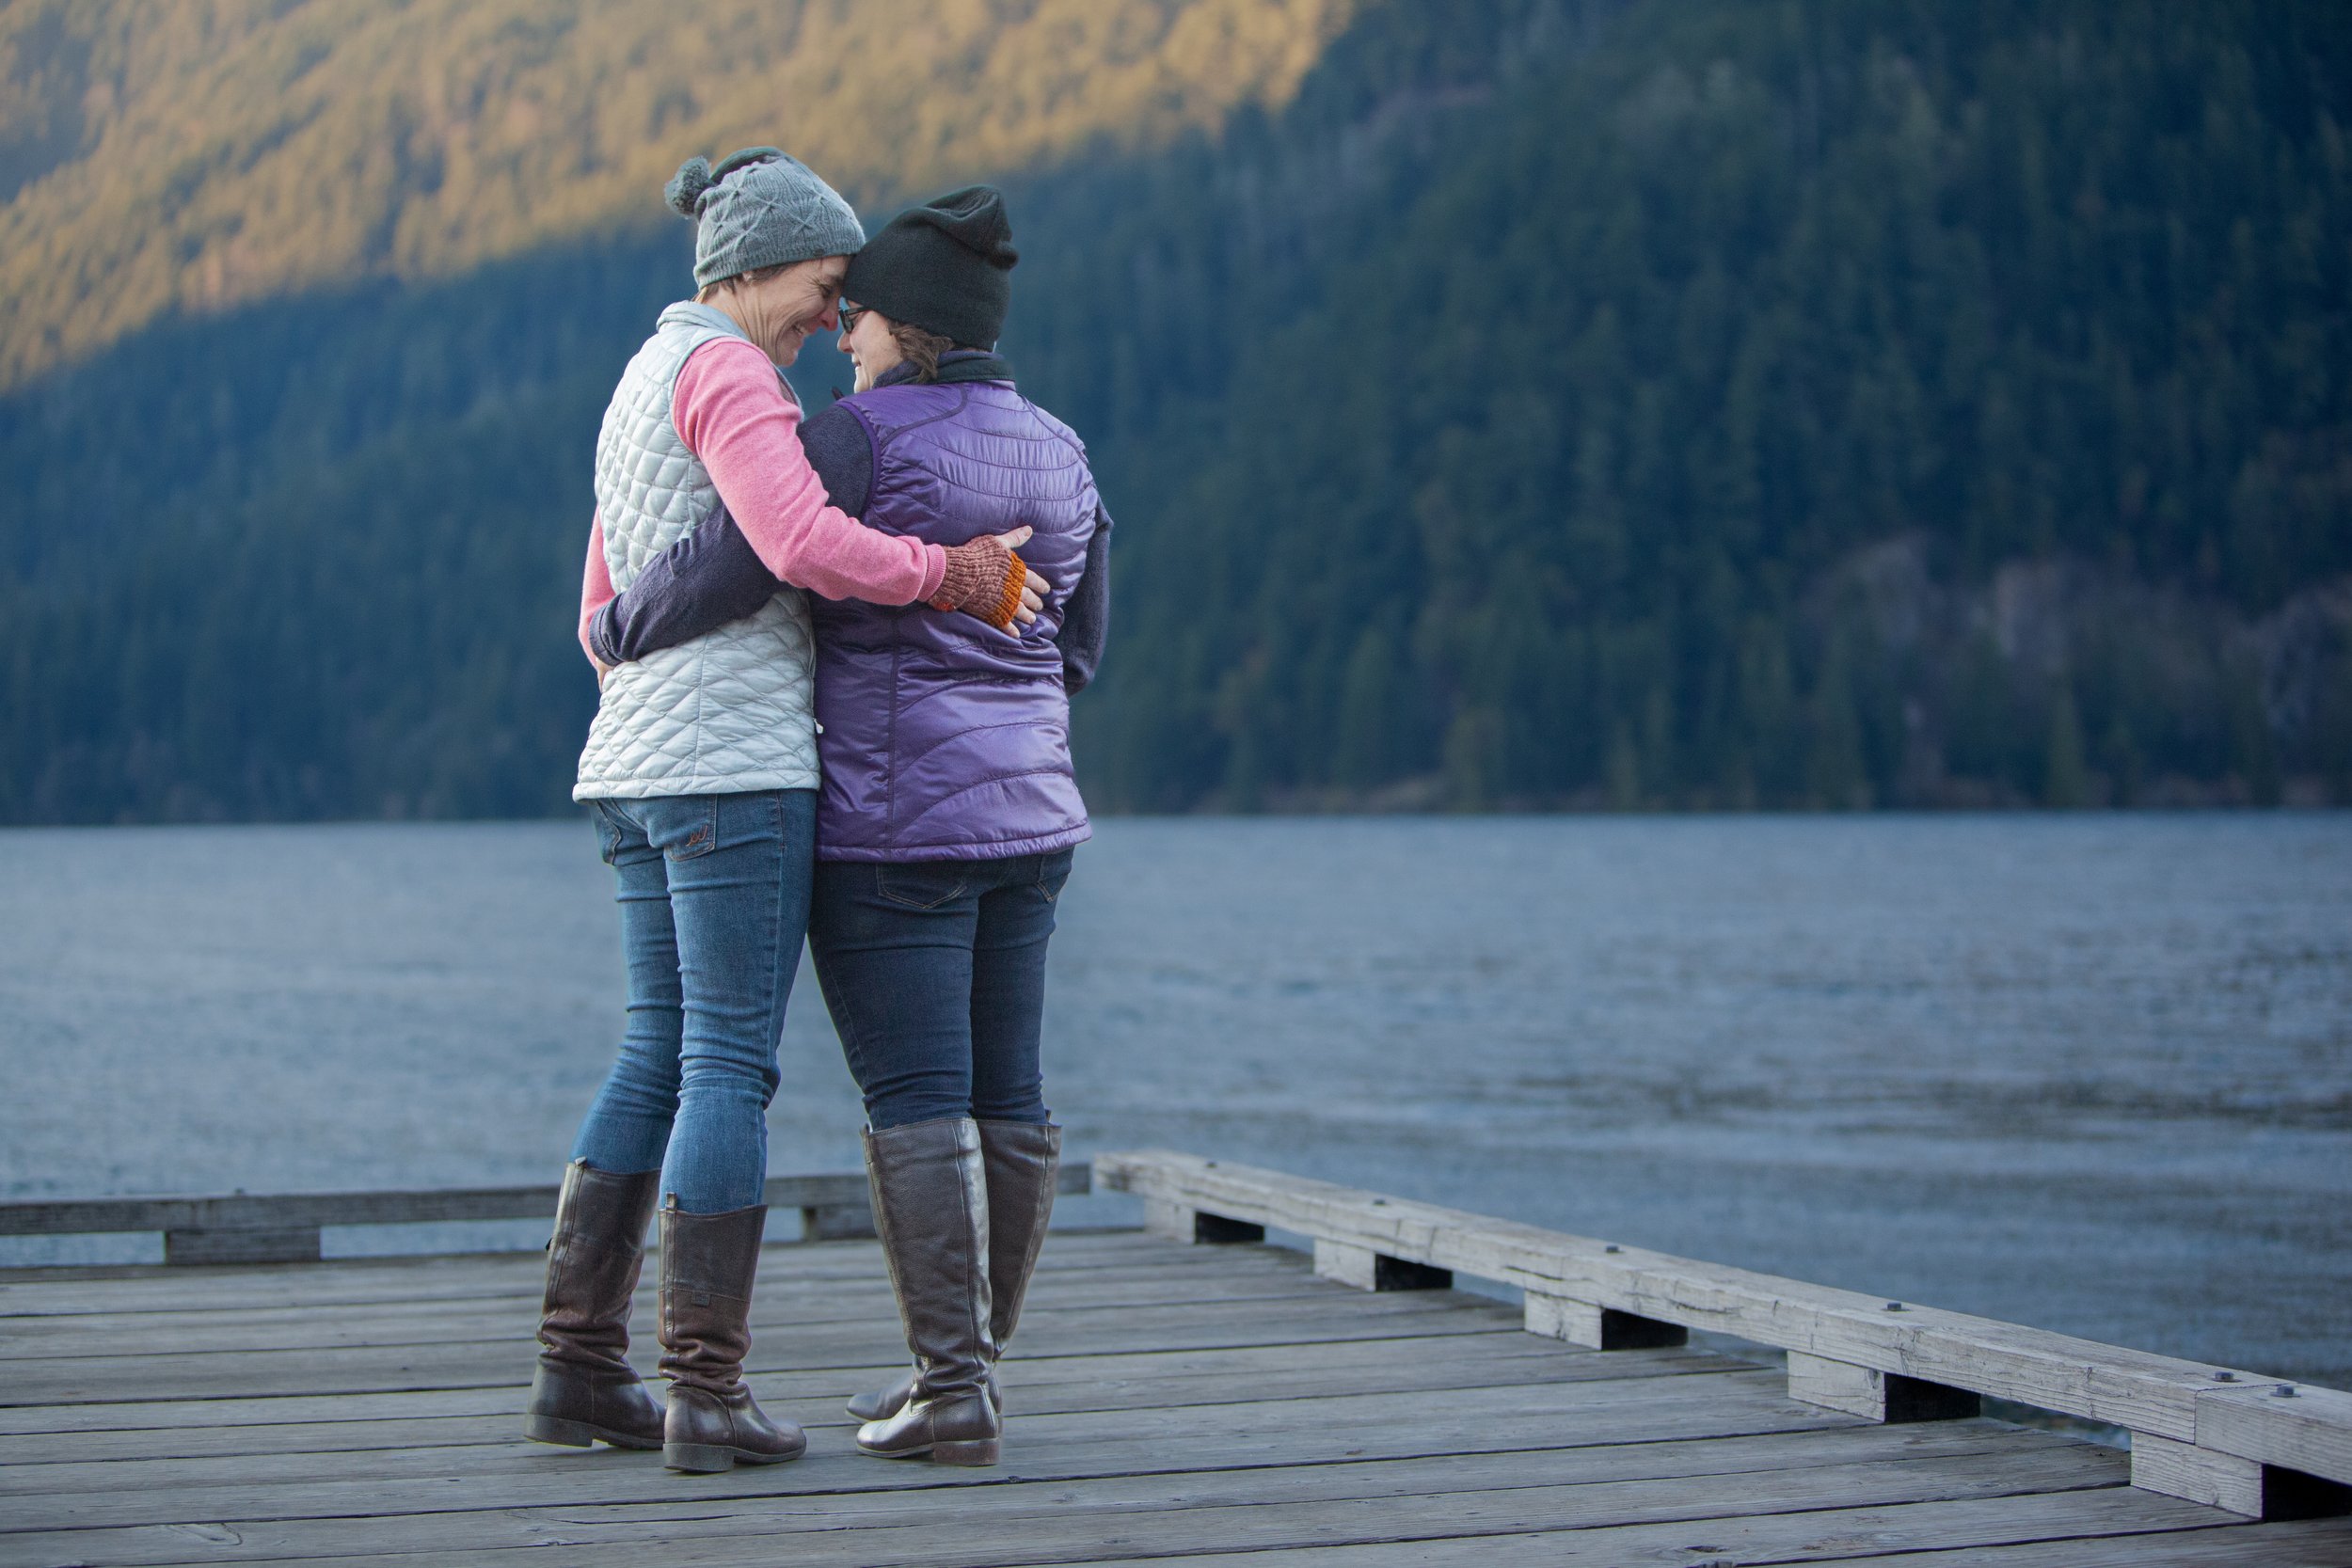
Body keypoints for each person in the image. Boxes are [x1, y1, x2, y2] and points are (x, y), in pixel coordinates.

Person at [526, 148, 1041, 1477]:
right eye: (823, 281)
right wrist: (952, 573)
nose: (833, 309)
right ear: (751, 269)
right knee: (726, 1068)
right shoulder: (733, 379)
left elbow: (602, 590)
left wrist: (628, 670)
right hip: (733, 768)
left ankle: (580, 1368)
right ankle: (706, 1392)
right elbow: (798, 542)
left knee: (653, 1053)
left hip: (634, 762)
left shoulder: (643, 372)